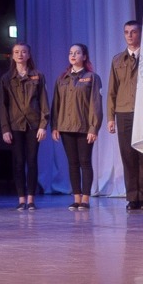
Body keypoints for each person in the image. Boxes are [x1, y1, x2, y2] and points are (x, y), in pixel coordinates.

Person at [51, 44, 103, 211]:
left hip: (84, 127)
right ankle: (76, 198)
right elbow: (56, 104)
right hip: (66, 127)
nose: (73, 55)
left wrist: (93, 128)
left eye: (77, 53)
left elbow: (96, 104)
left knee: (85, 162)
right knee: (72, 163)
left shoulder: (91, 77)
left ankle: (85, 199)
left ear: (84, 56)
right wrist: (55, 126)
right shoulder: (62, 79)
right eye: (71, 53)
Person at [107, 20, 143, 210]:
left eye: (133, 32)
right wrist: (110, 118)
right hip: (123, 112)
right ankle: (132, 197)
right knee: (128, 155)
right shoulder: (118, 60)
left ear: (140, 33)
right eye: (126, 32)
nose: (130, 35)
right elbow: (112, 90)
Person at [0, 42, 48, 210]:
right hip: (15, 125)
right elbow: (3, 106)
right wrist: (5, 129)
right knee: (18, 162)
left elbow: (43, 101)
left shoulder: (37, 76)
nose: (20, 54)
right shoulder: (6, 78)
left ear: (29, 55)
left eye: (24, 52)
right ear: (13, 56)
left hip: (33, 124)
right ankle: (21, 199)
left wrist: (43, 125)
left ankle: (31, 199)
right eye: (17, 52)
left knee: (32, 161)